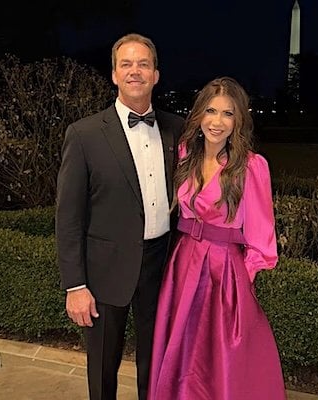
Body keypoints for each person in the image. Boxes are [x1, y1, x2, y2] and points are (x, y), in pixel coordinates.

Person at [55, 33, 184, 400]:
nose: (135, 71)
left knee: (156, 364)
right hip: (104, 271)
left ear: (156, 75)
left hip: (161, 265)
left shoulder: (177, 129)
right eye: (126, 64)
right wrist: (75, 285)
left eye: (143, 64)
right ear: (114, 74)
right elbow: (68, 217)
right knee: (102, 366)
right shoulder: (84, 135)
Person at [147, 77, 287, 400]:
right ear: (199, 115)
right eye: (211, 111)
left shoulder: (251, 166)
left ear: (238, 121)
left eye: (228, 113)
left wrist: (239, 281)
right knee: (182, 352)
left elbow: (262, 238)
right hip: (183, 265)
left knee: (220, 359)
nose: (217, 121)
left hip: (224, 274)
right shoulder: (185, 155)